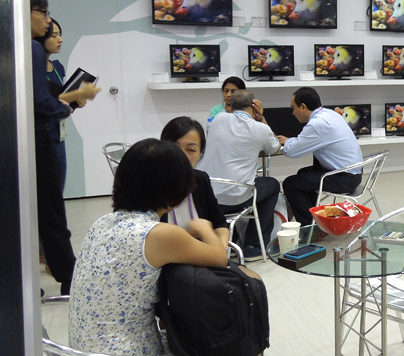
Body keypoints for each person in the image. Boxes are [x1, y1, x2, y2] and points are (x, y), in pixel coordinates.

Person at [68, 139, 232, 356]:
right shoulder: (158, 234)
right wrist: (204, 228)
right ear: (175, 188)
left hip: (80, 349)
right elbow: (220, 257)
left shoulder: (101, 223)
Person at [30, 0, 77, 295]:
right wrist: (63, 108)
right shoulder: (32, 50)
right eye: (44, 13)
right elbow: (39, 102)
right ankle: (70, 277)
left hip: (42, 138)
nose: (48, 22)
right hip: (41, 138)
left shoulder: (52, 64)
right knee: (51, 212)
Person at [198, 90, 280, 261]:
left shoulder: (218, 119)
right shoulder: (260, 129)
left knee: (243, 181)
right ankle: (253, 246)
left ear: (231, 106)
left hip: (208, 197)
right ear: (254, 106)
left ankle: (232, 241)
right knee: (272, 185)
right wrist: (261, 118)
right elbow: (274, 148)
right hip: (236, 198)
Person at [277, 87, 363, 225]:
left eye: (294, 108)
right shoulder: (330, 114)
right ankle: (315, 218)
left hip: (344, 179)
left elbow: (292, 152)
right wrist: (290, 141)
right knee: (302, 174)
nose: (293, 113)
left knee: (290, 184)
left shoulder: (317, 124)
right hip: (353, 173)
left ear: (303, 107)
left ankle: (310, 227)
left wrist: (287, 143)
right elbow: (306, 141)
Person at [33, 18, 101, 192]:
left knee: (56, 184)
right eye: (54, 35)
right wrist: (73, 97)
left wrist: (75, 101)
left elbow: (59, 99)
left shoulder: (57, 67)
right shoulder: (31, 69)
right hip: (41, 134)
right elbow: (43, 103)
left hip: (59, 131)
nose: (60, 40)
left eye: (60, 35)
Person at [159, 116, 229, 245]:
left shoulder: (200, 180)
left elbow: (220, 224)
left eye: (191, 150)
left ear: (200, 154)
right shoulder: (150, 184)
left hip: (202, 253)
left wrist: (221, 247)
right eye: (175, 147)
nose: (181, 155)